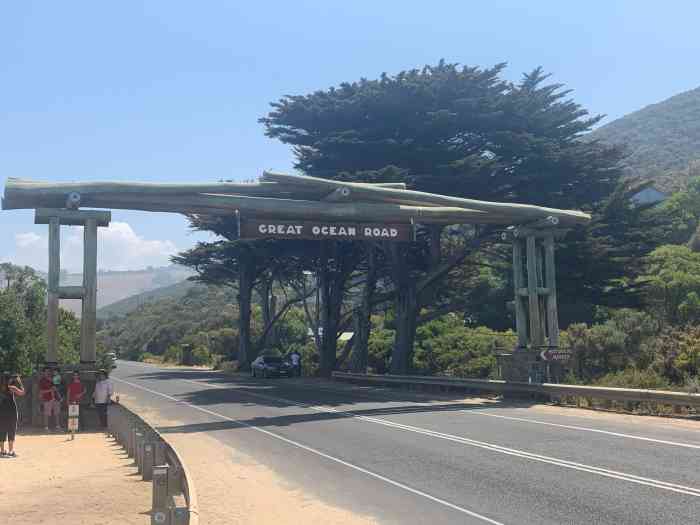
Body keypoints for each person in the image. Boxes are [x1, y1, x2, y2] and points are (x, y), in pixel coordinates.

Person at [0, 372, 25, 458]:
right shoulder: (11, 388)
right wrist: (19, 382)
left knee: (2, 430)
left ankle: (2, 451)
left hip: (1, 412)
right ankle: (11, 451)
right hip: (11, 412)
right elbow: (22, 393)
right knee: (11, 430)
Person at [38, 367, 61, 431]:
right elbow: (41, 391)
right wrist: (50, 390)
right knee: (46, 414)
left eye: (48, 371)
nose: (47, 373)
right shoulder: (42, 380)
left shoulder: (54, 379)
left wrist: (57, 390)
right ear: (43, 372)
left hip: (56, 398)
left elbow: (58, 387)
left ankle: (57, 427)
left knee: (57, 413)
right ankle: (46, 427)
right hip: (47, 399)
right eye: (46, 371)